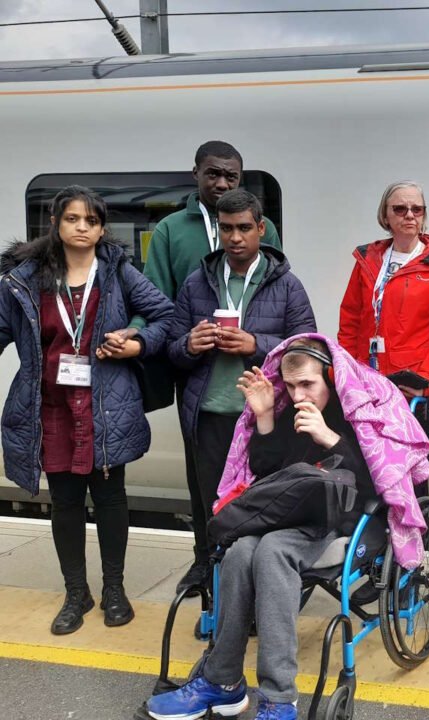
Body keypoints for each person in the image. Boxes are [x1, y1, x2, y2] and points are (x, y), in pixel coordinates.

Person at [146, 334, 429, 720]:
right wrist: (264, 417)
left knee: (271, 551)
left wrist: (331, 439)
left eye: (308, 384)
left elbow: (384, 485)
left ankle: (280, 700)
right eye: (292, 385)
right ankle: (223, 681)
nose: (298, 395)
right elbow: (266, 473)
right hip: (293, 519)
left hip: (350, 523)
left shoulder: (357, 414)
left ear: (330, 378)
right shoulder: (288, 413)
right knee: (241, 549)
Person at [0, 186, 173, 635]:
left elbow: (165, 318)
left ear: (101, 228)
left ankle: (114, 589)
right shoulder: (27, 277)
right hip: (51, 405)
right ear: (56, 224)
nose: (82, 227)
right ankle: (76, 592)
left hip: (106, 404)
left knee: (112, 498)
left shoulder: (118, 273)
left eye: (91, 221)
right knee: (65, 502)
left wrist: (135, 344)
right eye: (73, 219)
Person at [135, 140, 282, 596]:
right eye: (212, 174)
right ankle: (205, 563)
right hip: (198, 376)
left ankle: (253, 568)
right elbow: (156, 300)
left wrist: (256, 341)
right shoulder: (170, 231)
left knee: (258, 476)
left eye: (231, 176)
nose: (221, 182)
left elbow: (273, 288)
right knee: (204, 479)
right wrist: (172, 339)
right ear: (195, 173)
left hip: (254, 377)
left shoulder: (266, 227)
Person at [166, 189, 315, 590]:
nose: (235, 237)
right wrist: (189, 345)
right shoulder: (198, 282)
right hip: (211, 414)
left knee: (262, 509)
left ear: (261, 229)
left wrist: (256, 345)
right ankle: (213, 590)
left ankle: (259, 589)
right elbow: (173, 349)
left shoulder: (287, 286)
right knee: (212, 508)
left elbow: (306, 350)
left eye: (244, 228)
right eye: (226, 228)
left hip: (264, 419)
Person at [338, 181, 429, 483]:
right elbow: (350, 322)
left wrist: (422, 384)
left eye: (416, 209)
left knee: (409, 480)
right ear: (386, 215)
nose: (409, 215)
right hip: (373, 389)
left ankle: (413, 531)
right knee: (371, 478)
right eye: (400, 208)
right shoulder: (368, 261)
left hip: (418, 394)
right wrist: (354, 376)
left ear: (423, 215)